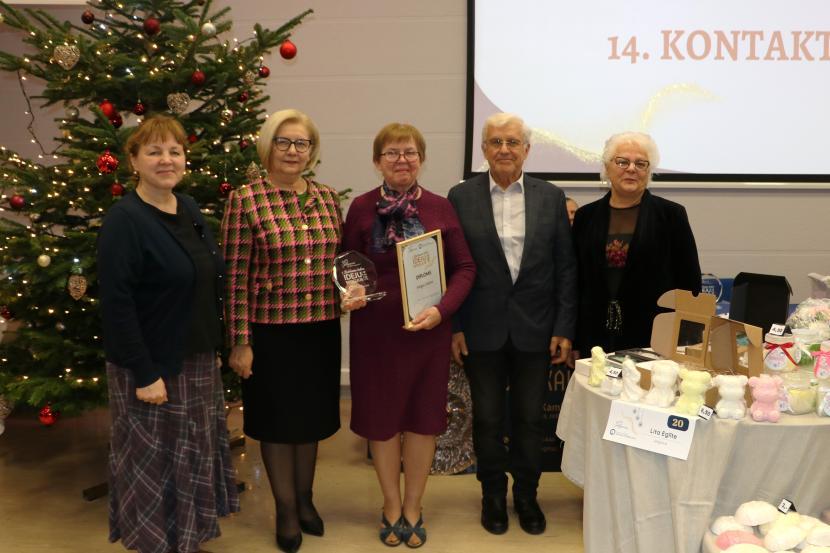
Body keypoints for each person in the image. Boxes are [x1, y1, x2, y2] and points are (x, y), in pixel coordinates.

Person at [98, 115, 239, 553]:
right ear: (134, 160)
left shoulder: (189, 207)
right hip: (150, 366)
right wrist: (144, 373)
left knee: (191, 457)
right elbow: (117, 305)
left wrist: (213, 343)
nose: (166, 160)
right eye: (154, 151)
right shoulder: (124, 220)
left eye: (174, 151)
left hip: (195, 360)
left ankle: (188, 541)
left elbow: (205, 279)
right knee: (154, 463)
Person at [342, 122, 476, 548]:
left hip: (427, 334)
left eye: (410, 152)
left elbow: (465, 268)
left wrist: (442, 311)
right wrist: (351, 289)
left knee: (422, 421)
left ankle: (414, 506)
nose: (402, 160)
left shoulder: (440, 207)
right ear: (377, 161)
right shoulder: (361, 208)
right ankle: (390, 504)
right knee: (382, 423)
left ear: (422, 159)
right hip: (375, 337)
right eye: (392, 153)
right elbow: (347, 264)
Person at [447, 113, 577, 536]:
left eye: (513, 142)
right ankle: (492, 496)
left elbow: (565, 268)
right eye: (496, 142)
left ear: (527, 149)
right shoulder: (460, 196)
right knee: (487, 420)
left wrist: (563, 327)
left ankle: (526, 496)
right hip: (480, 328)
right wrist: (455, 327)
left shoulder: (550, 197)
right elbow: (451, 266)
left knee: (528, 420)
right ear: (484, 149)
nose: (504, 149)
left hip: (536, 329)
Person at [221, 109, 342, 553]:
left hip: (321, 329)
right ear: (268, 146)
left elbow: (339, 262)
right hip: (270, 334)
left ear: (312, 150)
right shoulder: (246, 200)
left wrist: (352, 291)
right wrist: (241, 341)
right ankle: (287, 510)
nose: (293, 151)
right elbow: (235, 277)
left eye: (302, 143)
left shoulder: (328, 198)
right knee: (276, 424)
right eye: (284, 142)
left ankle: (305, 499)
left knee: (310, 421)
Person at [572, 131, 701, 357]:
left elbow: (689, 283)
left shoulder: (672, 216)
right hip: (594, 336)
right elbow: (575, 282)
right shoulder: (585, 217)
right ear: (607, 167)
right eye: (622, 161)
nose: (631, 169)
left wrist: (686, 341)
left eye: (641, 163)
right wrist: (574, 339)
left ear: (649, 171)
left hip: (653, 337)